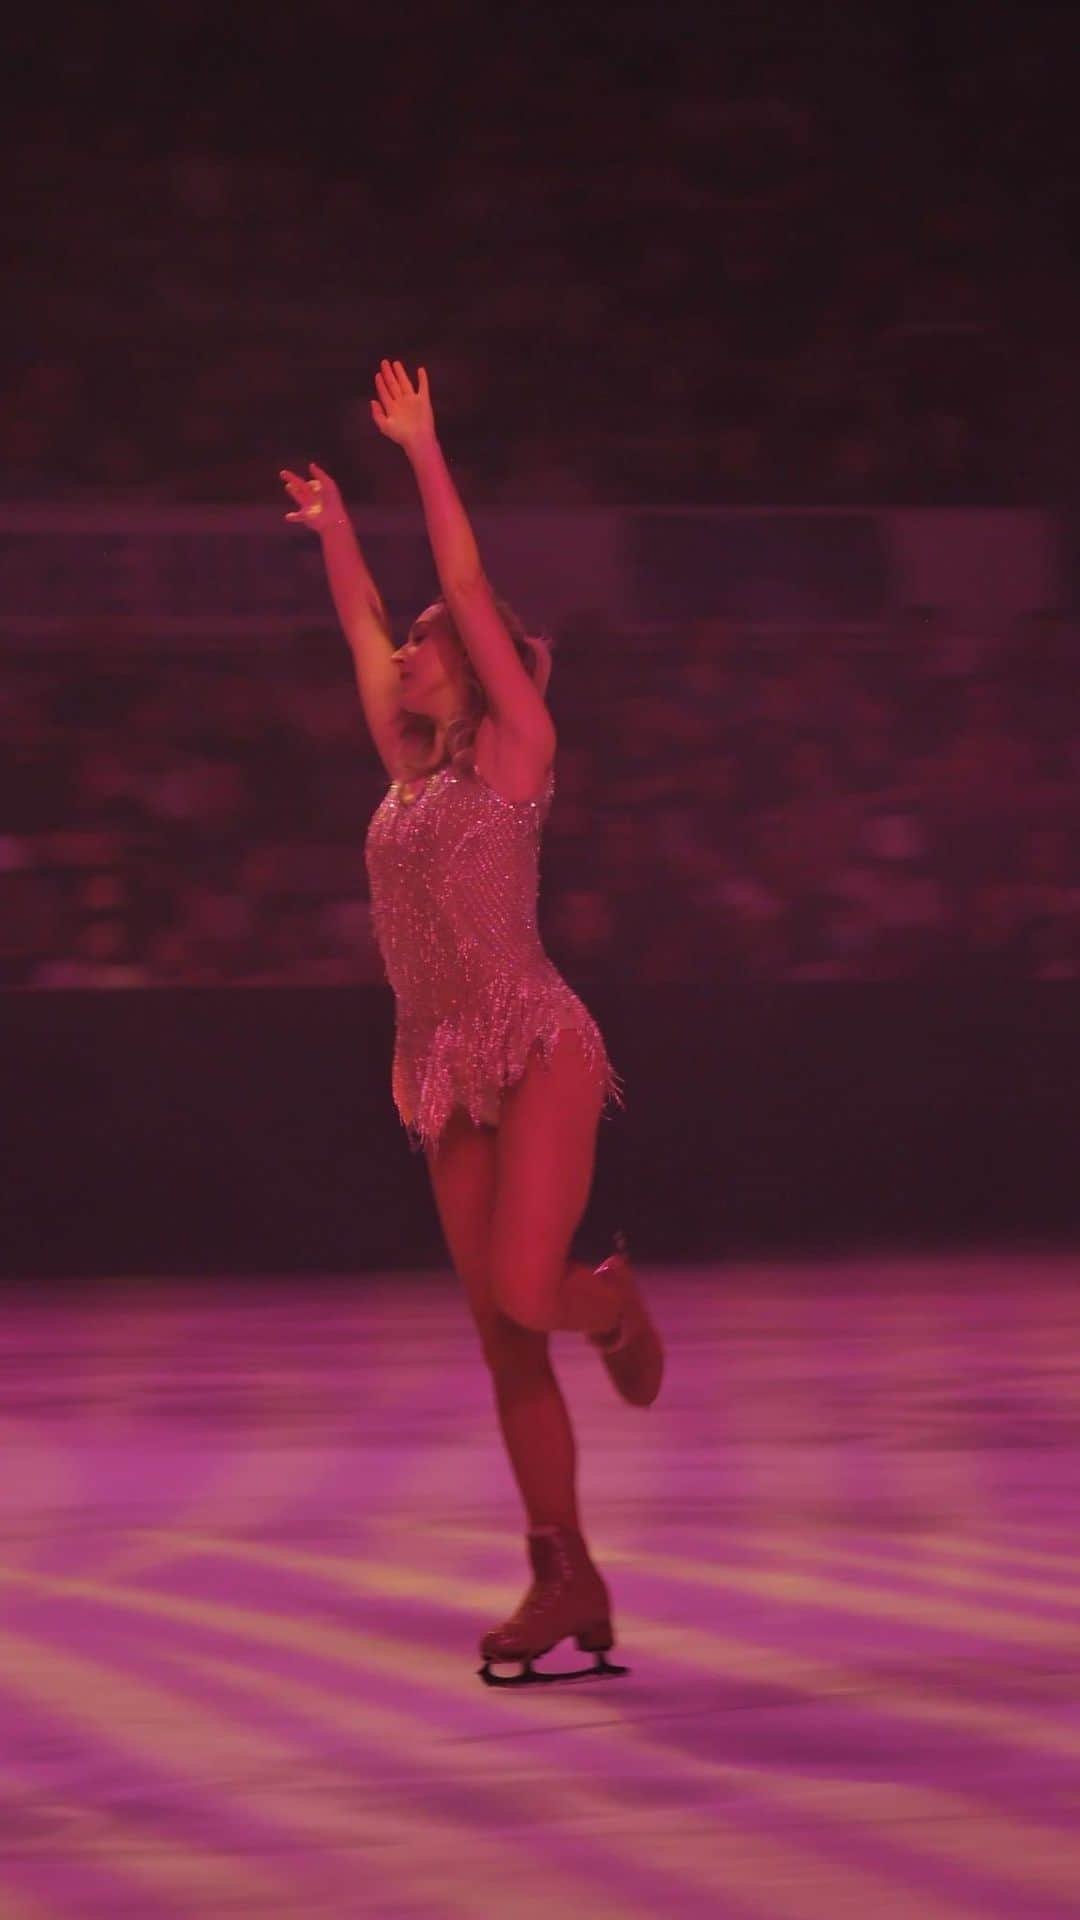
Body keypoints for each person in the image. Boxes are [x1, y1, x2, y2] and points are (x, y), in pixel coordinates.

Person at [281, 360, 664, 1684]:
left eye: (427, 640)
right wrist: (336, 531)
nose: (403, 651)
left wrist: (422, 452)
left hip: (536, 1041)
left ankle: (609, 1304)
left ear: (478, 656)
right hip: (438, 1068)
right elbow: (360, 622)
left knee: (525, 1287)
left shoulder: (519, 752)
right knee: (502, 1335)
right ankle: (564, 1573)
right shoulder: (408, 765)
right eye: (409, 642)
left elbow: (457, 568)